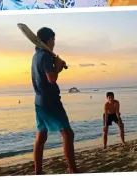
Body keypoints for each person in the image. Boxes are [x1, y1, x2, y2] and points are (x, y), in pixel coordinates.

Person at [31, 27, 78, 174]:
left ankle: (38, 171)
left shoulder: (37, 56)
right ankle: (72, 170)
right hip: (51, 101)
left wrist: (57, 64)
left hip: (39, 101)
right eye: (53, 40)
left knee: (41, 135)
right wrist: (58, 66)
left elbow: (47, 74)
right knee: (68, 134)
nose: (54, 43)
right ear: (49, 39)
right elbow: (52, 79)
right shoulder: (44, 56)